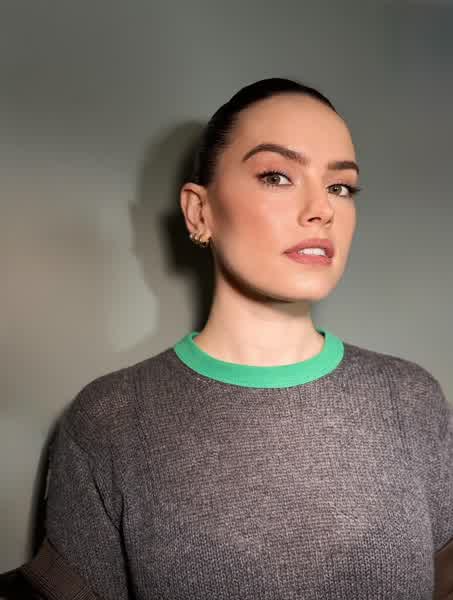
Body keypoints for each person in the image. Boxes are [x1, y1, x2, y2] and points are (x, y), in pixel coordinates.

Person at [21, 78, 453, 599]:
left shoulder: (411, 400)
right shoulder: (109, 420)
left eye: (341, 186)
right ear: (199, 212)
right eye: (277, 176)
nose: (322, 209)